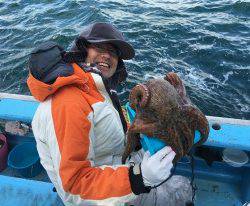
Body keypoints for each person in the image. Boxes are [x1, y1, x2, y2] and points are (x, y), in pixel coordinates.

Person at [27, 22, 178, 206]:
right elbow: (74, 186)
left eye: (114, 52)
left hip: (117, 170)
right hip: (103, 195)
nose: (107, 55)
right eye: (99, 47)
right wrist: (139, 178)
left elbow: (104, 134)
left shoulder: (95, 88)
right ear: (82, 51)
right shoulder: (69, 103)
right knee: (181, 190)